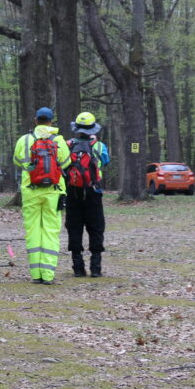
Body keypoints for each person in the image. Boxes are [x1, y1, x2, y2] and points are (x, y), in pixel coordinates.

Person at [12, 107, 71, 284]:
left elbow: (18, 161)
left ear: (35, 120)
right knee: (51, 232)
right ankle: (48, 275)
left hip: (30, 191)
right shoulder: (59, 140)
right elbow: (66, 163)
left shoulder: (24, 140)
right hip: (54, 192)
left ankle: (36, 275)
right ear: (51, 121)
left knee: (33, 232)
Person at [64, 112, 110, 277]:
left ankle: (77, 268)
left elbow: (62, 164)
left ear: (77, 128)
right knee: (96, 228)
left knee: (74, 227)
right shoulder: (99, 146)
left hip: (72, 192)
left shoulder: (67, 145)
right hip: (93, 191)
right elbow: (105, 161)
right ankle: (96, 268)